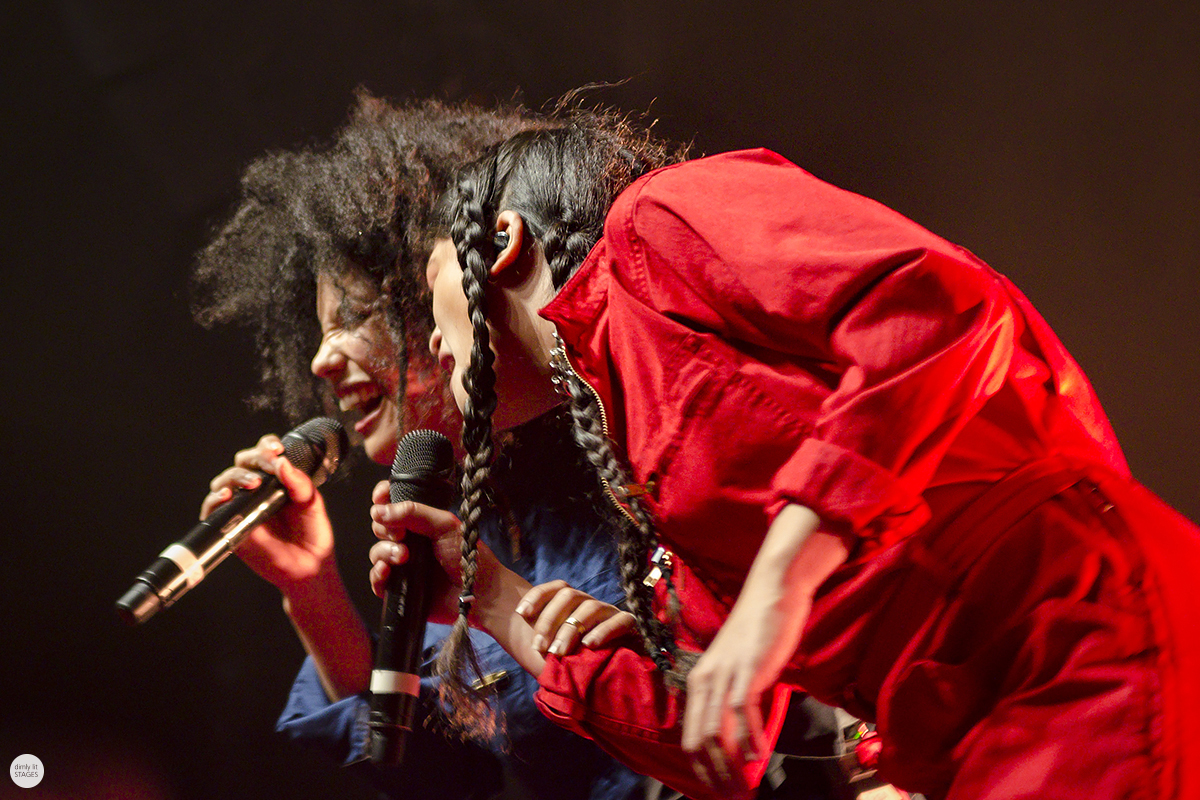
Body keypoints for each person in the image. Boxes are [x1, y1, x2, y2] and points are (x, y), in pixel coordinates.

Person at [368, 110, 1200, 800]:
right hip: (967, 720)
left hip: (1068, 636)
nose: (426, 338)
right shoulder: (636, 439)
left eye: (430, 280)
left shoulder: (658, 221)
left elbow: (935, 304)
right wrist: (495, 600)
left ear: (503, 240)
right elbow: (727, 752)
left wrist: (779, 583)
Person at [189, 93, 651, 800]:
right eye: (316, 332)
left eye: (354, 318)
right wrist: (310, 590)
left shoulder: (627, 466)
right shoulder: (451, 537)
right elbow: (438, 782)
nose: (320, 361)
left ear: (446, 297)